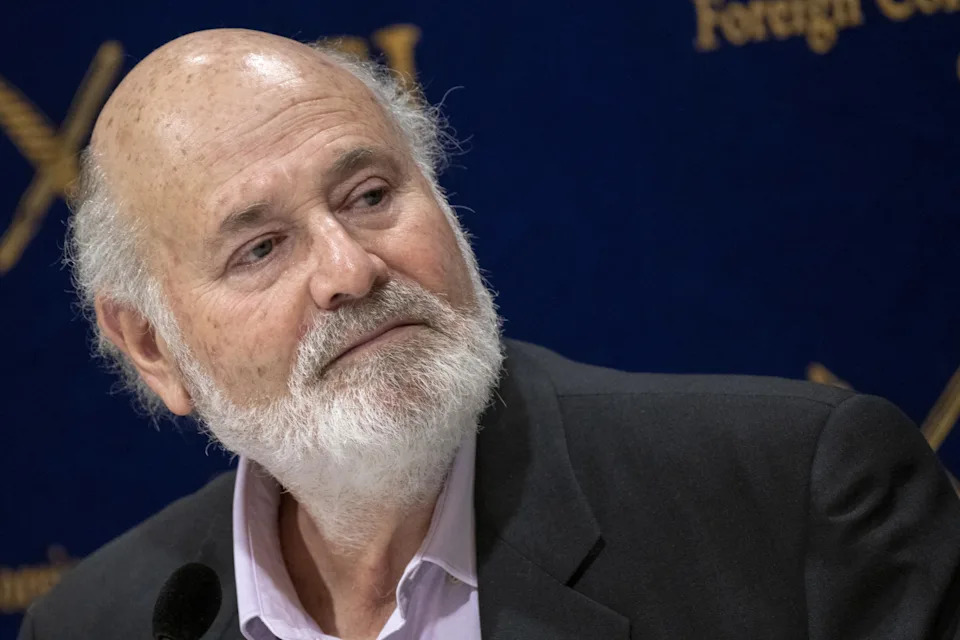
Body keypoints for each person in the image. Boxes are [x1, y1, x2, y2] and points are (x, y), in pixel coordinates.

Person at [18, 28, 960, 640]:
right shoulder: (98, 624)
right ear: (152, 348)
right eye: (261, 248)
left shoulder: (794, 500)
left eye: (372, 196)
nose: (350, 272)